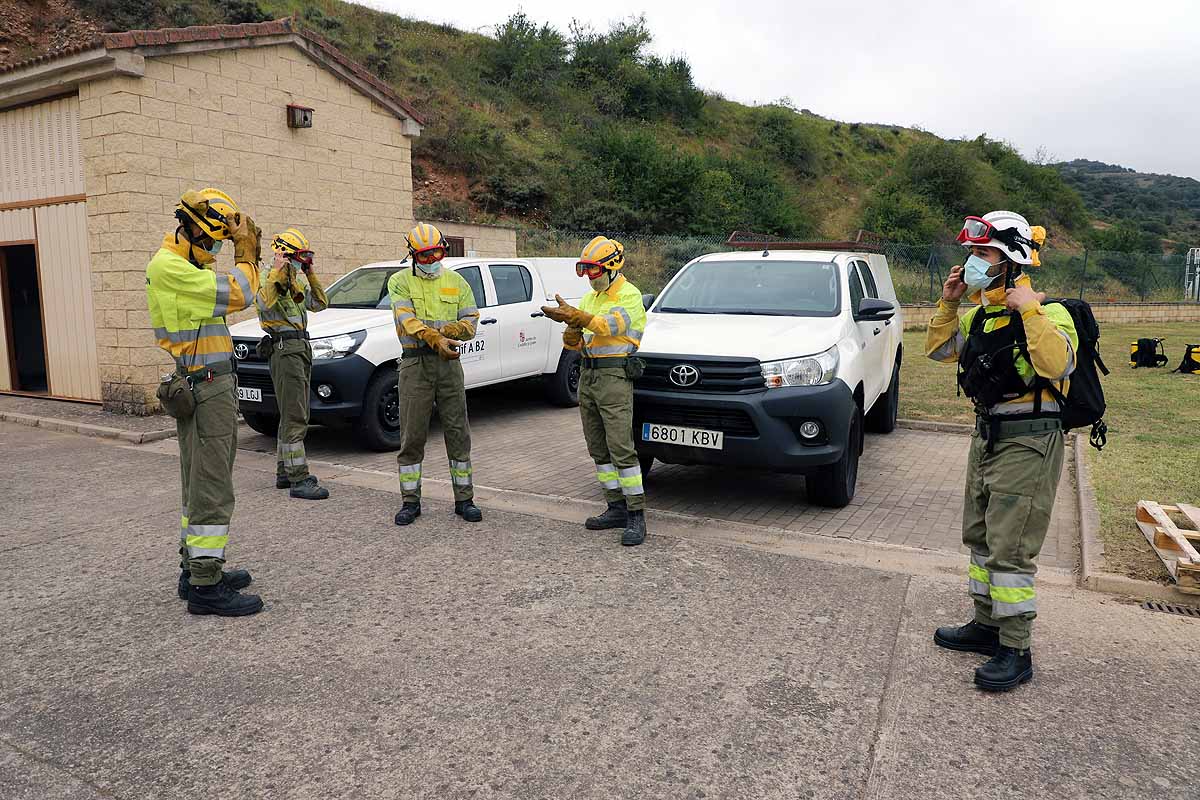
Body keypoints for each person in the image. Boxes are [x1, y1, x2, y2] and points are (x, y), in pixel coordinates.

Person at [925, 210, 1077, 691]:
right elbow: (940, 351)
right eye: (971, 252)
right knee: (981, 536)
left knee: (1011, 547)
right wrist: (949, 305)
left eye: (983, 253)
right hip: (986, 435)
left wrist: (1029, 309)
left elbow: (1057, 366)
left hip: (1030, 441)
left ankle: (1016, 648)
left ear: (1011, 260)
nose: (973, 262)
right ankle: (986, 625)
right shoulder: (979, 314)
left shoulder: (1050, 313)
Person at [146, 188, 264, 616]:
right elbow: (240, 292)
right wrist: (248, 251)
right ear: (193, 228)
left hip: (202, 383)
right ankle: (205, 585)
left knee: (198, 482)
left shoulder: (183, 264)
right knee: (212, 486)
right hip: (205, 386)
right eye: (214, 239)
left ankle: (193, 567)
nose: (217, 247)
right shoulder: (172, 268)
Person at [541, 235, 648, 546]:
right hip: (588, 376)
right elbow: (572, 344)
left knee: (620, 447)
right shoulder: (589, 299)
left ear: (612, 268)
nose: (589, 277)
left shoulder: (629, 296)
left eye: (593, 271)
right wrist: (572, 326)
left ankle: (636, 515)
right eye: (584, 271)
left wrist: (579, 317)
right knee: (598, 448)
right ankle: (614, 506)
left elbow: (607, 327)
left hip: (615, 377)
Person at [387, 222, 483, 526]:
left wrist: (451, 331)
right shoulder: (400, 282)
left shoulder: (457, 281)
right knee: (413, 434)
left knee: (458, 432)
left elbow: (470, 320)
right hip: (416, 364)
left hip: (449, 365)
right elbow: (407, 321)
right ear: (413, 255)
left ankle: (465, 499)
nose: (432, 261)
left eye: (438, 253)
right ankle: (410, 502)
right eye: (426, 256)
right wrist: (434, 338)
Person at [255, 228, 329, 500]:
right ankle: (299, 479)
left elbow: (320, 303)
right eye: (299, 257)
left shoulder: (294, 280)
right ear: (283, 254)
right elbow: (263, 305)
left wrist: (308, 272)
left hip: (299, 347)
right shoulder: (267, 277)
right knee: (295, 415)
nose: (302, 261)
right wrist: (277, 270)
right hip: (285, 348)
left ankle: (284, 473)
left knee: (291, 413)